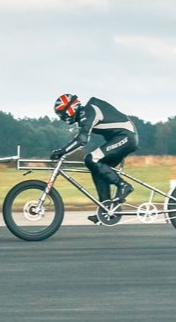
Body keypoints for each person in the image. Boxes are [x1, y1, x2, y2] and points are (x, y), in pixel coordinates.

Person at [50, 94, 139, 224]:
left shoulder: (89, 111)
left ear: (70, 109)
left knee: (91, 159)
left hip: (126, 137)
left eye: (62, 114)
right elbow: (82, 137)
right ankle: (106, 209)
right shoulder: (85, 115)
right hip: (122, 137)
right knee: (97, 168)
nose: (63, 118)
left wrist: (62, 151)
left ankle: (123, 186)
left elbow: (82, 139)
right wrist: (64, 151)